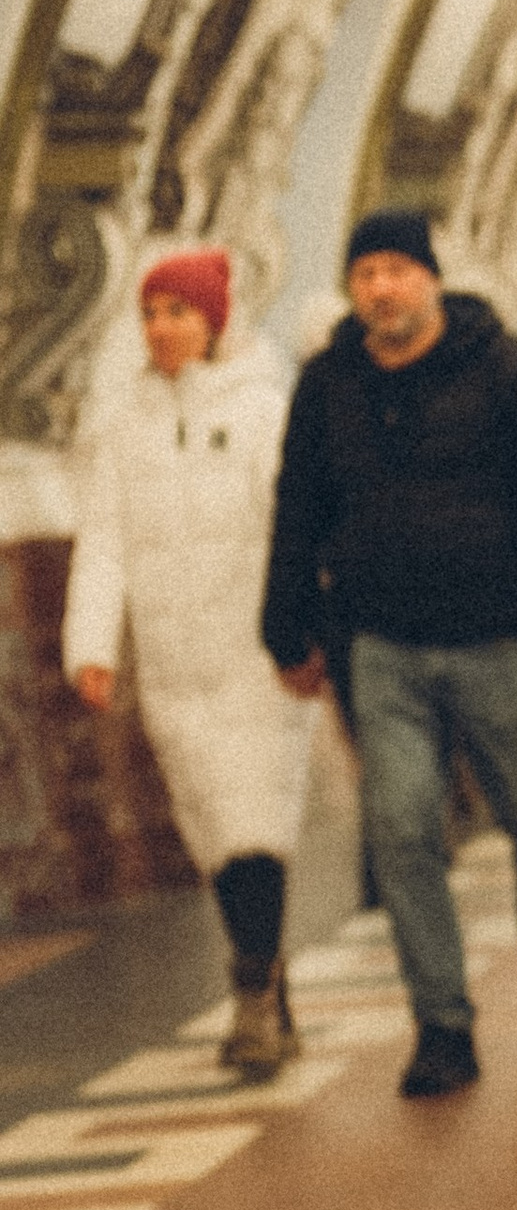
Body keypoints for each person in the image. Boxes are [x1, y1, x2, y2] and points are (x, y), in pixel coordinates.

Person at [261, 210, 517, 1098]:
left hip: (497, 638)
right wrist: (287, 630)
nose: (380, 289)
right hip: (382, 647)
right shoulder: (328, 386)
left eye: (397, 270)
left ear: (431, 278)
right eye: (365, 275)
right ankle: (442, 1024)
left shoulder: (507, 368)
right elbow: (297, 509)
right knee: (400, 829)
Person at [65, 249, 313, 1079]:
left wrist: (304, 629)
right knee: (214, 829)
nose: (160, 328)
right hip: (174, 667)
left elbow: (293, 525)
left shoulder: (262, 410)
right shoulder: (122, 426)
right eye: (149, 313)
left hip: (255, 656)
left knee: (256, 823)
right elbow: (103, 540)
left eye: (177, 312)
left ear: (214, 321)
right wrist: (92, 646)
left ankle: (252, 997)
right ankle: (269, 982)